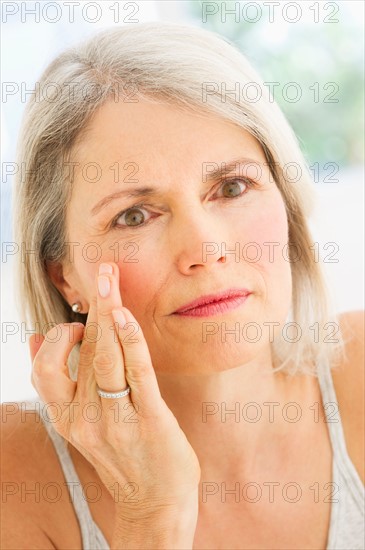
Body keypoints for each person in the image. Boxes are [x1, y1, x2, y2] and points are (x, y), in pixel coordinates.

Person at [1, 21, 364, 550]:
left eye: (232, 187)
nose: (204, 250)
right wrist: (152, 516)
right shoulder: (15, 479)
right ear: (64, 277)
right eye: (134, 216)